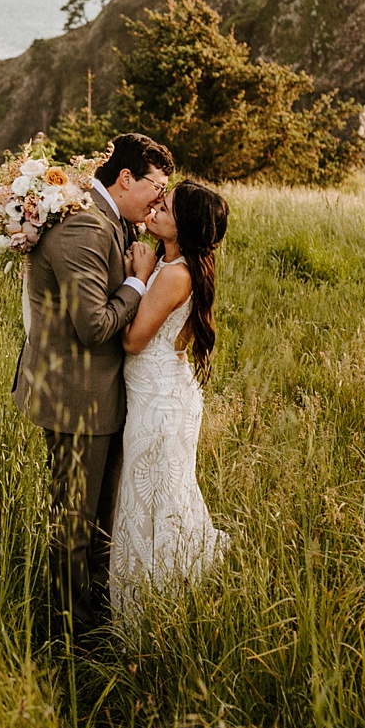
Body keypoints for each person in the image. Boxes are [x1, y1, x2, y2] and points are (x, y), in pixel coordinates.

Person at [11, 132, 172, 640]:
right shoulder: (86, 228)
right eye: (157, 187)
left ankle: (92, 616)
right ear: (125, 178)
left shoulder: (108, 219)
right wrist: (138, 282)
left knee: (94, 520)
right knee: (75, 527)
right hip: (77, 398)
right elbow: (95, 325)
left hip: (92, 395)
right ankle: (70, 637)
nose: (160, 201)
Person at [108, 180, 231, 619]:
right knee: (157, 495)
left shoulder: (175, 273)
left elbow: (133, 341)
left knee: (155, 499)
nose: (157, 208)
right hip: (158, 394)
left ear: (185, 226)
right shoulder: (173, 260)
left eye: (168, 207)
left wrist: (138, 278)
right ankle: (162, 597)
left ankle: (153, 609)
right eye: (160, 199)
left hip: (160, 403)